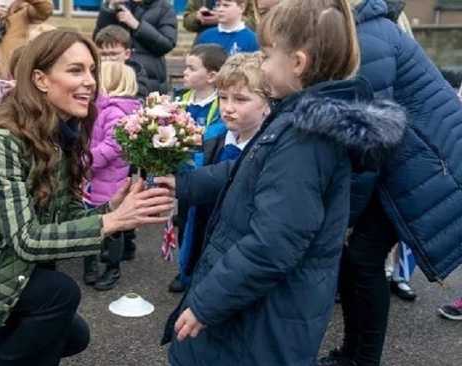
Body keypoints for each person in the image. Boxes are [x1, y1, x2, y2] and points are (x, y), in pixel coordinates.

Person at [0, 30, 174, 366]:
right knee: (59, 295)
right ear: (40, 80)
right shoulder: (3, 140)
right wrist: (110, 222)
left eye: (92, 71)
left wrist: (110, 210)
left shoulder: (64, 135)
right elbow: (27, 240)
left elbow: (64, 217)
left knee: (73, 335)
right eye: (76, 70)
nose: (90, 82)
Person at [157, 0, 407, 364]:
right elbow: (247, 171)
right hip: (260, 313)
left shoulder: (305, 138)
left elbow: (273, 243)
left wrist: (206, 303)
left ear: (298, 63)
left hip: (258, 323)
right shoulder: (297, 120)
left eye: (268, 55)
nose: (263, 64)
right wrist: (182, 184)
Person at [318, 1, 462, 365]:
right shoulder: (366, 28)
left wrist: (347, 216)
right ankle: (355, 355)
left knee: (362, 259)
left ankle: (359, 359)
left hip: (430, 163)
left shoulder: (367, 39)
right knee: (360, 260)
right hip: (418, 159)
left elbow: (372, 137)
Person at [174, 52, 269, 295]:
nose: (227, 108)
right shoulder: (212, 138)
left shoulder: (268, 149)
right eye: (223, 97)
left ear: (268, 103)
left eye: (240, 99)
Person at [169, 43, 228, 293]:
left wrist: (195, 136)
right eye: (185, 68)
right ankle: (184, 270)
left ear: (212, 76)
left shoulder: (222, 105)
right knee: (183, 222)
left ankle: (201, 272)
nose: (185, 73)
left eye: (192, 69)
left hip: (208, 179)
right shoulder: (179, 100)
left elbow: (218, 135)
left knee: (205, 224)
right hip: (182, 178)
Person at [83, 61, 142, 291]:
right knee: (91, 220)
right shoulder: (103, 108)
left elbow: (112, 145)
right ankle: (91, 265)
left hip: (108, 179)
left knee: (111, 229)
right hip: (97, 178)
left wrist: (86, 161)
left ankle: (111, 267)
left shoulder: (115, 112)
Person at [94, 0, 178, 94]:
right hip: (114, 77)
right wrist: (109, 10)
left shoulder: (164, 8)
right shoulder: (118, 5)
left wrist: (137, 25)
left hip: (149, 79)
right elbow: (98, 42)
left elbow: (167, 44)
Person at [94, 24, 151, 99]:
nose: (108, 59)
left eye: (113, 54)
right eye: (103, 54)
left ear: (127, 54)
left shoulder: (136, 74)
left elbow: (139, 98)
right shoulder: (93, 72)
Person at [194, 0, 259, 55]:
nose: (220, 9)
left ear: (241, 8)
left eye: (226, 5)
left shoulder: (252, 40)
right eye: (218, 5)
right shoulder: (205, 37)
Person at [183, 0, 256, 35]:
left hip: (238, 43)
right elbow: (186, 22)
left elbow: (255, 24)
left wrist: (225, 18)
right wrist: (197, 17)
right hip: (206, 45)